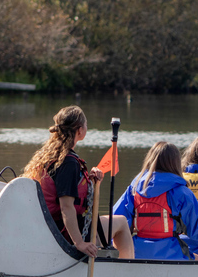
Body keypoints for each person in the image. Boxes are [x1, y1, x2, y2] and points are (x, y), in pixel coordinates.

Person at [23, 105, 134, 259]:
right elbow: (66, 207)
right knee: (121, 222)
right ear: (80, 130)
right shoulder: (68, 163)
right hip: (65, 233)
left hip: (52, 227)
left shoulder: (50, 156)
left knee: (117, 221)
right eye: (86, 125)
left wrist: (94, 183)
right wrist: (80, 243)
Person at [113, 142, 198, 260]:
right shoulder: (181, 191)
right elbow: (197, 231)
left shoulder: (134, 188)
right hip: (172, 254)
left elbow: (116, 219)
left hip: (136, 252)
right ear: (175, 162)